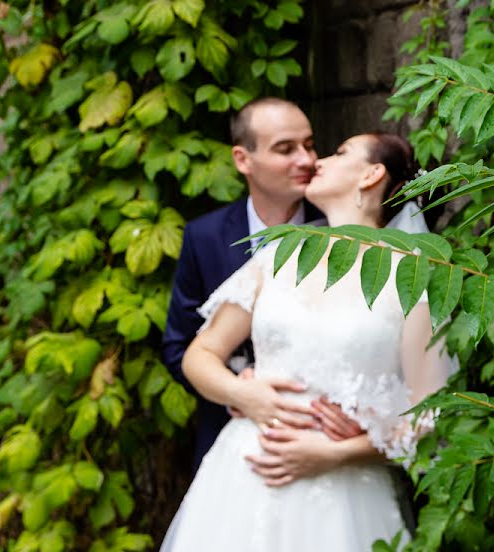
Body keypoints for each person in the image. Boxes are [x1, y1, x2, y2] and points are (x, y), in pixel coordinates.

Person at [160, 133, 454, 551]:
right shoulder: (277, 254)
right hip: (243, 477)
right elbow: (200, 354)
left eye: (340, 152)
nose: (319, 160)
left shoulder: (413, 278)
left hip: (344, 493)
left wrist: (338, 453)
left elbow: (432, 414)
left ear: (372, 174)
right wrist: (245, 393)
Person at [162, 98, 360, 471]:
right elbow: (179, 346)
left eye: (309, 145)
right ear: (243, 160)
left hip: (326, 442)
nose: (306, 160)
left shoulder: (342, 229)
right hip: (233, 442)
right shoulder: (204, 237)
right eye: (285, 149)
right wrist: (237, 391)